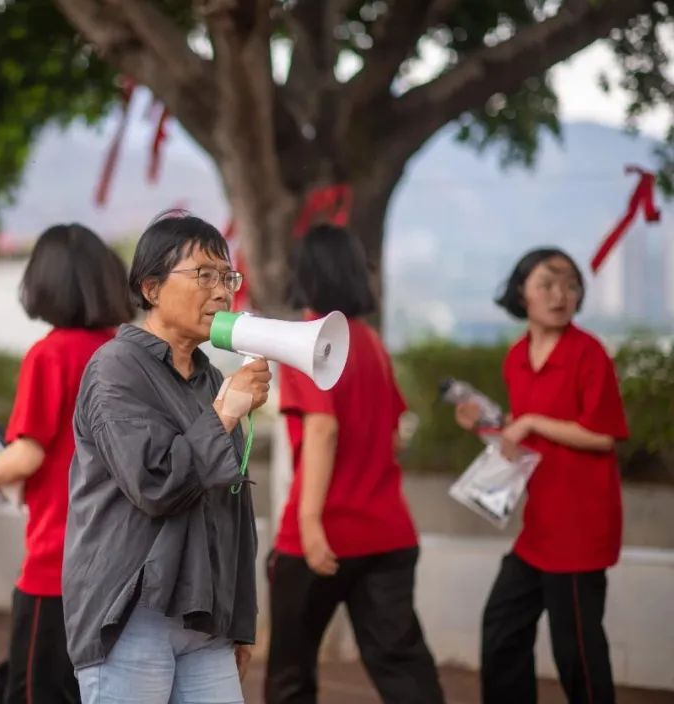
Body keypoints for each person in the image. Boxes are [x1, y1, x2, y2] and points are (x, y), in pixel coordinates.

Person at [62, 213, 265, 704]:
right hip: (130, 614)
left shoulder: (210, 379)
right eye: (204, 275)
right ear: (151, 288)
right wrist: (223, 416)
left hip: (203, 616)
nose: (221, 292)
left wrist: (240, 621)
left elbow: (231, 508)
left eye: (227, 277)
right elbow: (153, 484)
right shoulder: (115, 367)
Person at [264, 225, 444, 703]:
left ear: (304, 272)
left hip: (320, 536)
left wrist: (308, 521)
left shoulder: (306, 338)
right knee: (403, 667)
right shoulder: (369, 342)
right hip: (387, 533)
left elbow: (323, 429)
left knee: (290, 675)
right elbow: (394, 432)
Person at [0, 223, 133, 704]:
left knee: (35, 691)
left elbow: (25, 456)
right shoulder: (124, 352)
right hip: (121, 563)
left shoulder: (49, 355)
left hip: (58, 560)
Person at [454, 248, 627, 704]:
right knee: (503, 627)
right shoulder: (516, 358)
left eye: (570, 285)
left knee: (578, 654)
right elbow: (522, 440)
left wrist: (529, 422)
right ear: (521, 293)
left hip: (581, 527)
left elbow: (602, 434)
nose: (560, 294)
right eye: (547, 284)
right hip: (541, 527)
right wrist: (486, 426)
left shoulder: (588, 354)